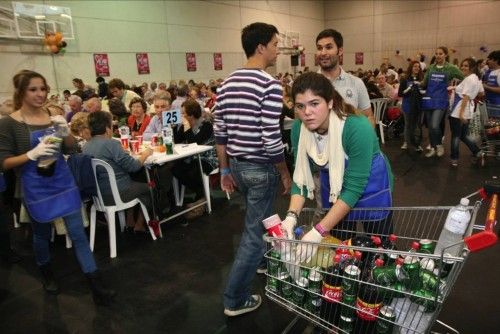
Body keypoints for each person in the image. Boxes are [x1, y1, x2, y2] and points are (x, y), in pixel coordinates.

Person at [0, 70, 115, 304]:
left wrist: (65, 130)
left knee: (78, 235)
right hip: (35, 188)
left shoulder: (53, 117)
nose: (40, 94)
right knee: (42, 236)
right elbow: (3, 162)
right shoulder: (9, 123)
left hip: (62, 182)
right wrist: (31, 154)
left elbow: (71, 149)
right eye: (33, 89)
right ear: (21, 92)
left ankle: (97, 287)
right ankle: (46, 273)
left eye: (43, 88)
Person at [214, 22, 291, 317]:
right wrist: (284, 172)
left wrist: (224, 170)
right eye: (275, 44)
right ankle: (234, 299)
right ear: (261, 47)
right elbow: (271, 138)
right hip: (261, 168)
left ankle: (261, 262)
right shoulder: (270, 85)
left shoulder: (227, 82)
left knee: (260, 219)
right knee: (254, 234)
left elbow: (219, 131)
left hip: (236, 165)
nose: (277, 50)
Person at [281, 72, 393, 262]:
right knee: (340, 253)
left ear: (330, 102)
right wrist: (291, 217)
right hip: (334, 188)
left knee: (379, 250)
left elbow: (354, 187)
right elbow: (301, 178)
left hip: (370, 187)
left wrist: (319, 231)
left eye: (314, 103)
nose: (307, 112)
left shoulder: (356, 128)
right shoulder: (299, 129)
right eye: (300, 106)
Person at [83, 111, 153, 232]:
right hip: (119, 193)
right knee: (151, 187)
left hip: (99, 196)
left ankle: (130, 221)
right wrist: (146, 154)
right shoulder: (112, 144)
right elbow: (134, 166)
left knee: (134, 182)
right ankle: (140, 223)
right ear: (107, 128)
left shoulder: (86, 146)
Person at [315, 29, 375, 127]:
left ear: (340, 50)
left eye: (329, 47)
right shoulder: (309, 84)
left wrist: (369, 140)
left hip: (349, 141)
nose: (323, 52)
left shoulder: (356, 83)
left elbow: (368, 116)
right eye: (319, 48)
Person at [172, 99, 217, 205]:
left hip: (209, 157)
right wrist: (174, 127)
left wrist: (187, 128)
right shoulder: (187, 124)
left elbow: (195, 144)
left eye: (183, 113)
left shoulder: (206, 124)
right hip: (193, 157)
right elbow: (177, 140)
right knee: (176, 169)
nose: (181, 115)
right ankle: (201, 193)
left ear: (191, 114)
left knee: (193, 171)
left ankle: (201, 195)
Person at [420, 46, 463, 158]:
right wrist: (413, 83)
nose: (438, 56)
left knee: (434, 125)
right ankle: (433, 148)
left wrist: (456, 88)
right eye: (436, 53)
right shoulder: (431, 68)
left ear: (445, 55)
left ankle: (439, 145)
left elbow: (463, 77)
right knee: (430, 127)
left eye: (440, 53)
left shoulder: (451, 68)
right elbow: (424, 83)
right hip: (429, 100)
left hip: (441, 101)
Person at [448, 58, 485, 167]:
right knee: (463, 135)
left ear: (472, 67)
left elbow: (465, 97)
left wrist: (460, 114)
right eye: (462, 65)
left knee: (455, 136)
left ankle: (454, 158)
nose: (463, 67)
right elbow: (482, 93)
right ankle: (477, 152)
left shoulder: (469, 79)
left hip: (459, 110)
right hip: (468, 110)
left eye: (466, 66)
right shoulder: (476, 79)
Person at [398, 61, 424, 151]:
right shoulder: (405, 79)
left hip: (418, 105)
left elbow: (424, 91)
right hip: (407, 105)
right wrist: (409, 88)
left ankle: (417, 144)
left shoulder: (422, 78)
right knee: (408, 124)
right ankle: (406, 142)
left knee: (417, 125)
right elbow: (400, 93)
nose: (417, 68)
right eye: (415, 66)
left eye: (418, 66)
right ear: (411, 68)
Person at [483, 50, 500, 118]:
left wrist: (486, 87)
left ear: (496, 60)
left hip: (497, 106)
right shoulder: (490, 72)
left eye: (490, 59)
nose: (488, 61)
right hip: (489, 104)